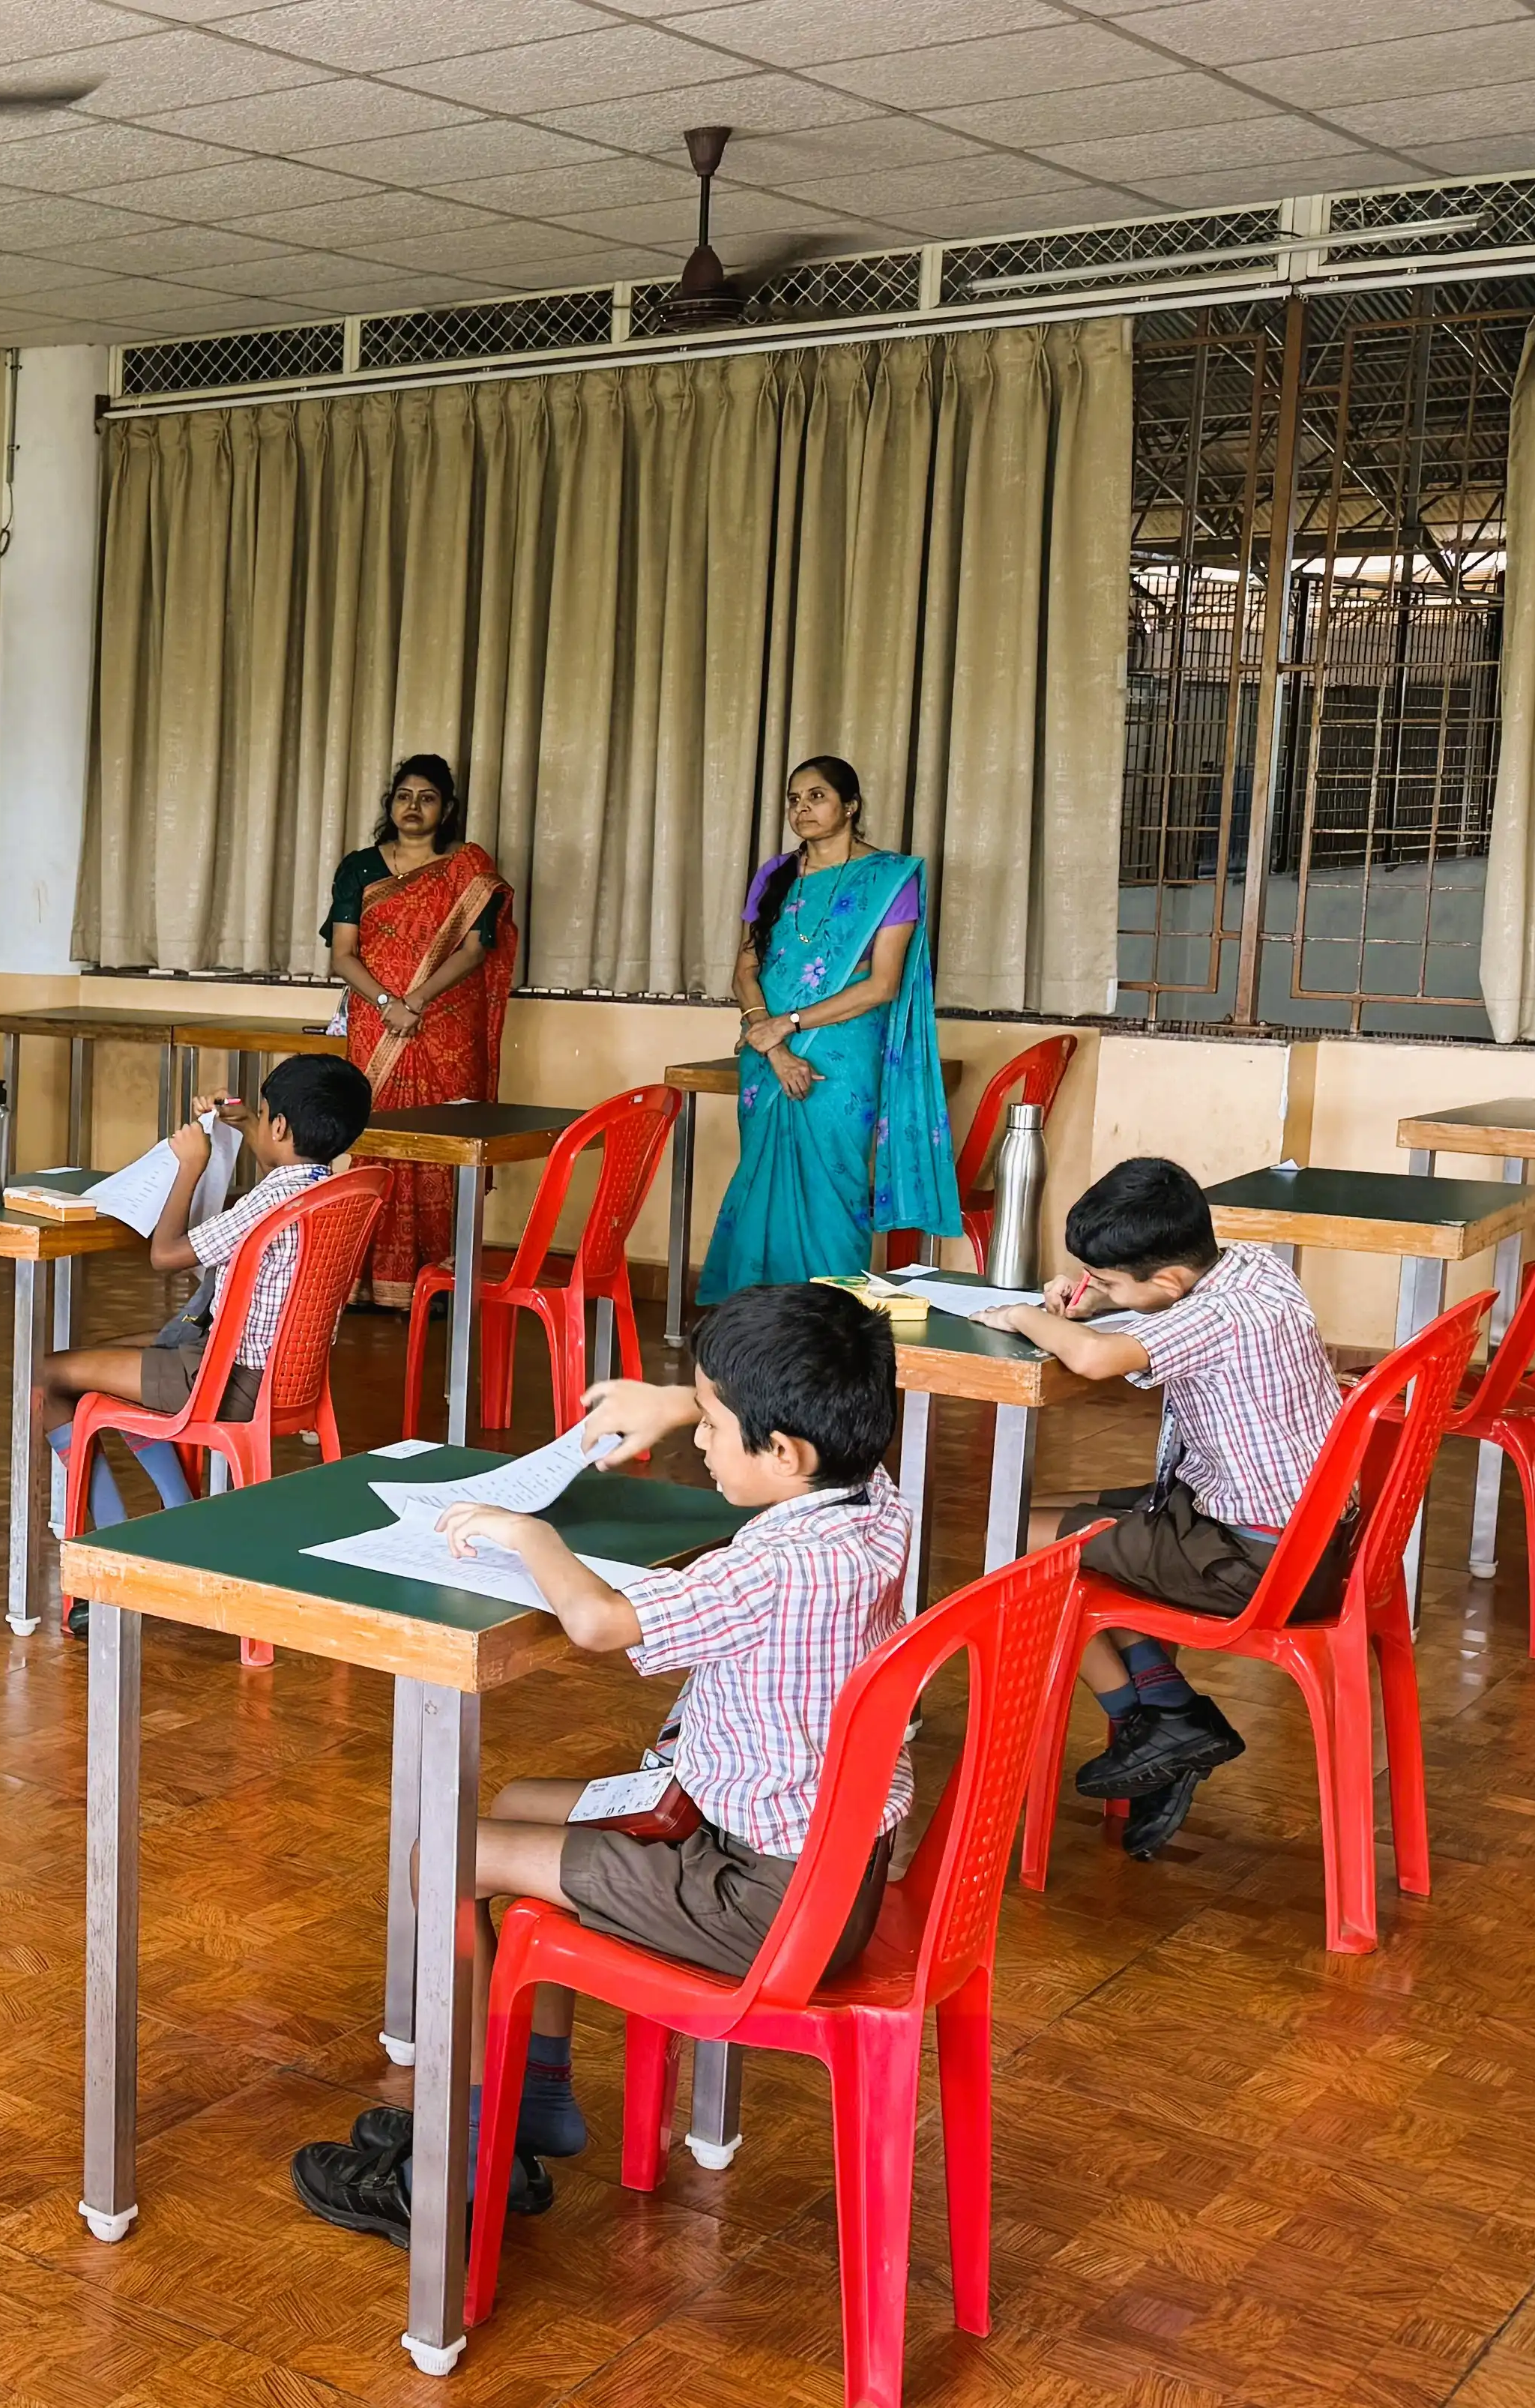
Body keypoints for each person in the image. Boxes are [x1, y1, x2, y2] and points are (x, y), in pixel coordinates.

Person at [289, 1284, 911, 2244]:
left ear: (784, 1452)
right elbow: (789, 1438)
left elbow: (597, 1622)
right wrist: (680, 1400)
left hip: (760, 1896)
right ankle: (529, 2108)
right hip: (833, 1864)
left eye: (710, 1422)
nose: (698, 1439)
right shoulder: (874, 1505)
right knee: (512, 1804)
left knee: (441, 1858)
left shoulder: (769, 1567)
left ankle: (452, 2166)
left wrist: (527, 1533)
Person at [985, 1156, 1342, 1859]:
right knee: (1032, 1511)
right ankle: (1163, 1710)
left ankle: (1154, 1714)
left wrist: (1027, 1314)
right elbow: (1122, 1325)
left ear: (1170, 1280)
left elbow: (1090, 1360)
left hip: (1252, 1559)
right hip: (1302, 1535)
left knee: (1018, 1545)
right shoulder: (1251, 1270)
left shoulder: (1216, 1314)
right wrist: (1104, 1302)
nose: (1098, 1289)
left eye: (1111, 1280)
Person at [36, 1052, 374, 1547]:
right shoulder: (333, 1189)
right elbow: (276, 1149)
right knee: (121, 1357)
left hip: (226, 1380)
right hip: (284, 1373)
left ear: (279, 1126)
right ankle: (180, 1511)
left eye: (261, 1115)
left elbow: (166, 1254)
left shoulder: (268, 1201)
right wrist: (242, 1114)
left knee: (46, 1374)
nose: (254, 1123)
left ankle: (106, 1540)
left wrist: (190, 1166)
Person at [697, 755, 959, 1298]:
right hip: (767, 1057)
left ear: (851, 806)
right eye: (795, 799)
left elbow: (881, 984)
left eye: (816, 797)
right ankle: (757, 1326)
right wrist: (772, 1044)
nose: (802, 809)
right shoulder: (775, 876)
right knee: (759, 1185)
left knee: (835, 1187)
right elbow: (746, 971)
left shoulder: (889, 879)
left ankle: (832, 1323)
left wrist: (788, 1025)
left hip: (840, 1058)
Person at [322, 755, 513, 1297]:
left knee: (442, 1142)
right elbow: (343, 954)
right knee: (375, 1136)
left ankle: (440, 1282)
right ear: (390, 803)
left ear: (446, 808)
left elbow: (476, 950)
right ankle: (366, 1282)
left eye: (426, 796)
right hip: (376, 1021)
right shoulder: (359, 867)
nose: (412, 806)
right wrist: (387, 1001)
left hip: (444, 1025)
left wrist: (416, 1000)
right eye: (403, 794)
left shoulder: (467, 871)